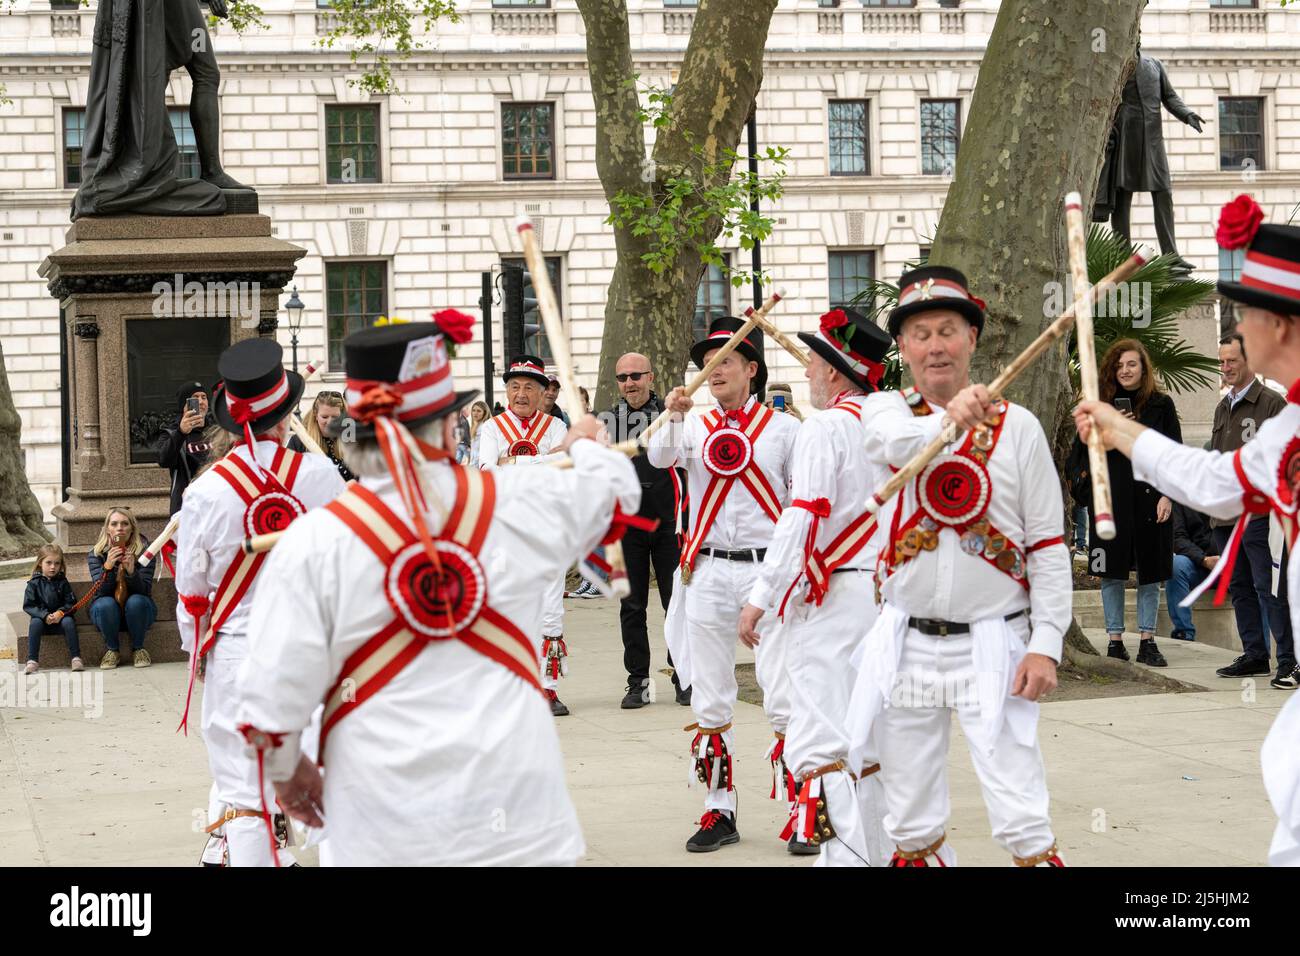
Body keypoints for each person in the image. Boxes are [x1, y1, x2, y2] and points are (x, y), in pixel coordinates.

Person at [234, 316, 641, 866]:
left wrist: (290, 775)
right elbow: (616, 493)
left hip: (378, 830)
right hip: (519, 828)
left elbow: (267, 701)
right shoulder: (519, 499)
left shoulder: (313, 541)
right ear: (450, 429)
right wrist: (587, 445)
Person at [1074, 195, 1300, 861]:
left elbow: (1214, 488)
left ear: (1279, 324)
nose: (1236, 330)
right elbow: (1217, 485)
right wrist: (1118, 429)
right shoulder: (1288, 424)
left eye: (1244, 313)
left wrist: (1120, 430)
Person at [847, 265, 1071, 867]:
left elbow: (1048, 543)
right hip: (907, 642)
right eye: (920, 334)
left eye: (948, 330)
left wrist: (1046, 642)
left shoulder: (1018, 428)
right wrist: (950, 419)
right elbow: (894, 446)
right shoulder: (882, 412)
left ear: (972, 339)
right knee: (910, 820)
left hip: (995, 643)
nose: (935, 346)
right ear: (902, 347)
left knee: (1021, 813)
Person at [175, 337, 346, 867]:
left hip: (236, 654)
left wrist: (197, 647)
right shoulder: (321, 477)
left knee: (245, 794)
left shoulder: (204, 493)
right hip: (308, 649)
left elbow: (192, 592)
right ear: (287, 414)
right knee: (332, 774)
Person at [739, 307, 895, 863]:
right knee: (868, 745)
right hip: (880, 599)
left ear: (833, 371)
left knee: (822, 745)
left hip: (832, 600)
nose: (805, 373)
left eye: (811, 362)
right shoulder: (887, 422)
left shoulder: (825, 427)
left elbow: (801, 517)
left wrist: (760, 598)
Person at [648, 316, 799, 853]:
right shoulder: (691, 424)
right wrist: (671, 415)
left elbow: (801, 506)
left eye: (724, 360)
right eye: (706, 362)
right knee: (710, 697)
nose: (711, 370)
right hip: (705, 569)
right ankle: (719, 809)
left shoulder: (785, 430)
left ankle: (804, 808)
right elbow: (658, 457)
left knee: (781, 691)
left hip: (767, 571)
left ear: (751, 369)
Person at [1068, 339, 1180, 667]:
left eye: (1131, 364)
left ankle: (1148, 641)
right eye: (1118, 366)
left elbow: (1173, 455)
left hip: (1150, 500)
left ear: (1143, 368)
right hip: (1110, 501)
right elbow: (1078, 457)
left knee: (1150, 573)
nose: (1125, 371)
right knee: (1110, 572)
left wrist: (1167, 495)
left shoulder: (1161, 405)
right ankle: (1114, 641)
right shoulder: (1098, 407)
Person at [477, 355, 573, 716]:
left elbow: (565, 468)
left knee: (550, 609)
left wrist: (514, 464)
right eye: (514, 386)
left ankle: (549, 688)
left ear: (542, 391)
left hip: (547, 529)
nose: (521, 394)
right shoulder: (492, 428)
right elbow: (486, 472)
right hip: (504, 529)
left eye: (529, 387)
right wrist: (541, 463)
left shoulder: (555, 427)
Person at [1208, 331, 1294, 681]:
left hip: (1259, 515)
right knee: (1240, 587)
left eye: (1233, 361)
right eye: (1222, 362)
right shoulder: (1221, 406)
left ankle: (1289, 661)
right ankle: (1254, 654)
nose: (1225, 367)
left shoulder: (1272, 403)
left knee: (1269, 587)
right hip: (1225, 515)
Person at [604, 352, 688, 708]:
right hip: (628, 525)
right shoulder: (606, 421)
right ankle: (638, 680)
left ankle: (683, 675)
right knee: (632, 605)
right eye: (623, 378)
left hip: (670, 521)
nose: (630, 383)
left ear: (651, 377)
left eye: (636, 376)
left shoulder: (673, 416)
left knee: (677, 604)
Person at [86, 507, 158, 669]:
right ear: (107, 529)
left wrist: (132, 572)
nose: (120, 528)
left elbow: (145, 590)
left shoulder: (146, 552)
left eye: (125, 523)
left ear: (132, 528)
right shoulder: (96, 554)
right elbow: (101, 591)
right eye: (114, 524)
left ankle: (138, 649)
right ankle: (112, 650)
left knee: (136, 601)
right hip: (107, 615)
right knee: (105, 603)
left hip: (138, 612)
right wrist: (108, 567)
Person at [157, 380, 213, 516]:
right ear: (184, 404)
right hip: (188, 507)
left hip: (215, 503)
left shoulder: (216, 430)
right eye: (195, 398)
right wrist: (181, 433)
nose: (201, 402)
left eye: (204, 397)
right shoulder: (171, 433)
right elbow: (163, 459)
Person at [23, 544, 81, 674]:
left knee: (69, 622)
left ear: (61, 565)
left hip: (61, 619)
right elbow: (29, 605)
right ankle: (32, 660)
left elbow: (71, 602)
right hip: (42, 620)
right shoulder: (34, 583)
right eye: (48, 563)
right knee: (35, 623)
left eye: (57, 563)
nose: (53, 567)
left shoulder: (63, 582)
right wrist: (44, 615)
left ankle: (76, 657)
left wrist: (61, 612)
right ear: (40, 564)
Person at [1168, 502, 1220, 642]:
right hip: (1198, 564)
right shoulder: (1181, 497)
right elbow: (1177, 537)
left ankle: (1259, 649)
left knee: (1255, 574)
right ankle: (1184, 633)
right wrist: (1203, 559)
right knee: (1175, 565)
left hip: (1231, 564)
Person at [288, 391, 357, 482]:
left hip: (347, 495)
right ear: (315, 416)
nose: (330, 422)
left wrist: (354, 482)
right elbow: (287, 475)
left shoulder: (351, 438)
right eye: (324, 417)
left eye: (335, 417)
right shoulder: (298, 441)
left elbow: (365, 475)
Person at [467, 399, 491, 467]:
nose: (475, 413)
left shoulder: (485, 427)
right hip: (474, 463)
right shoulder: (475, 425)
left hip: (481, 464)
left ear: (485, 413)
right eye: (473, 410)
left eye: (479, 411)